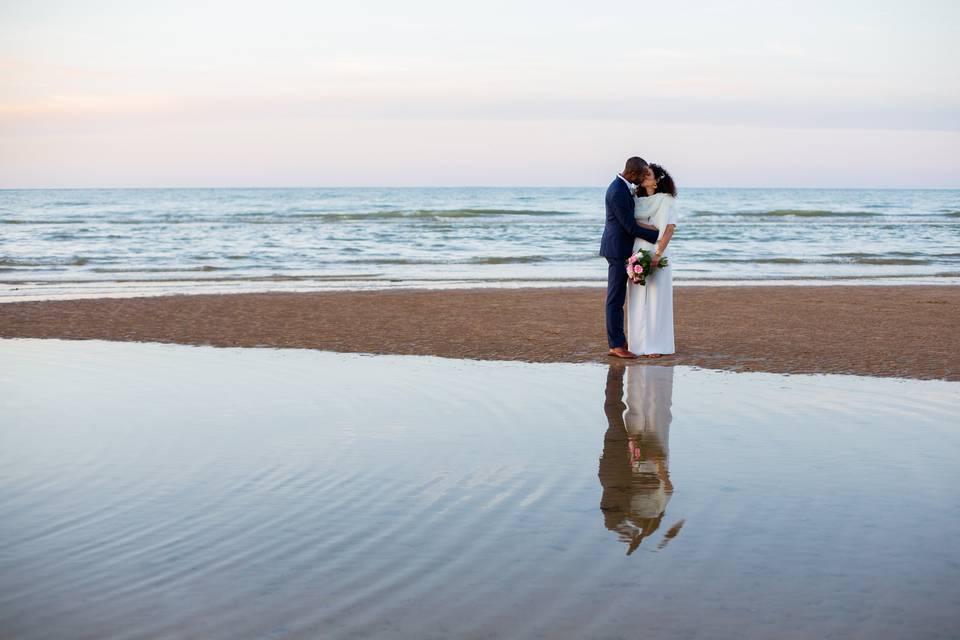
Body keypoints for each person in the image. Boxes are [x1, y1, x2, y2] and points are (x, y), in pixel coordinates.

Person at [599, 157, 660, 359]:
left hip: (622, 247)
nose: (643, 178)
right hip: (617, 249)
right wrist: (657, 235)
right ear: (632, 174)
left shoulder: (623, 187)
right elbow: (629, 227)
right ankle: (616, 345)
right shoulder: (617, 191)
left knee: (618, 298)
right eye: (642, 175)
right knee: (615, 299)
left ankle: (619, 340)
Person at [626, 163, 679, 357]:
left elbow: (669, 229)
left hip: (658, 251)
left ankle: (656, 346)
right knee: (637, 297)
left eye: (647, 174)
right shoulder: (636, 199)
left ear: (657, 181)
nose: (643, 176)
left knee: (657, 298)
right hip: (637, 249)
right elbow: (630, 223)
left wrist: (658, 254)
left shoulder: (666, 201)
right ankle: (638, 345)